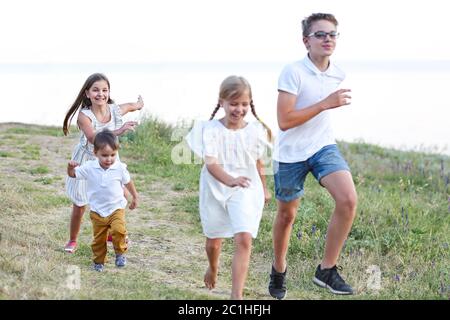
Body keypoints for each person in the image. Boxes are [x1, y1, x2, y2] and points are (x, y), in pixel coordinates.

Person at [268, 13, 357, 299]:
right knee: (286, 215)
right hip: (290, 153)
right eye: (320, 34)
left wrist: (325, 105)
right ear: (306, 40)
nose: (328, 39)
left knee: (348, 199)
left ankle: (326, 270)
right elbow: (284, 120)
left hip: (322, 147)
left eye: (332, 34)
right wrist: (325, 104)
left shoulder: (337, 73)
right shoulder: (292, 72)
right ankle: (279, 269)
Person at [186, 75, 272, 300]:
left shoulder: (254, 131)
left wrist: (263, 188)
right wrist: (229, 180)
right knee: (214, 242)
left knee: (244, 238)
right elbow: (212, 164)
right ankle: (213, 267)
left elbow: (257, 162)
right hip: (215, 188)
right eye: (234, 103)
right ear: (222, 101)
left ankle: (237, 296)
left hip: (244, 188)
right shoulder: (210, 129)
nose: (239, 109)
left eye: (244, 104)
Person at [62, 73, 143, 253]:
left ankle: (110, 233)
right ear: (87, 93)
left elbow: (129, 107)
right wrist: (119, 130)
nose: (101, 94)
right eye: (96, 90)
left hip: (109, 160)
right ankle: (72, 240)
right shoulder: (84, 116)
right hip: (87, 160)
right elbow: (93, 138)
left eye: (105, 90)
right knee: (80, 204)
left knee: (114, 198)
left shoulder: (113, 110)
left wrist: (138, 104)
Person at [67, 130, 138, 272]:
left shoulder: (119, 168)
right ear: (95, 153)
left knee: (119, 230)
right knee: (99, 239)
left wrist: (134, 197)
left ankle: (120, 253)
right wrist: (70, 168)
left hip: (116, 208)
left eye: (112, 155)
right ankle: (99, 261)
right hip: (97, 211)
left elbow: (128, 182)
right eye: (104, 155)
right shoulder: (89, 167)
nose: (109, 159)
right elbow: (73, 174)